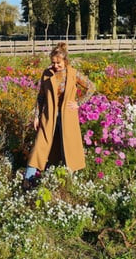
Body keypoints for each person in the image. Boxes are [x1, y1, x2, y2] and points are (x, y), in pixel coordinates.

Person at [23, 42, 95, 190]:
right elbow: (41, 97)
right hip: (49, 115)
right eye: (53, 62)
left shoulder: (73, 73)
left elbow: (91, 87)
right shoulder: (47, 74)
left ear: (65, 61)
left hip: (67, 117)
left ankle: (67, 181)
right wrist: (36, 116)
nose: (55, 65)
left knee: (66, 147)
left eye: (58, 63)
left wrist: (78, 103)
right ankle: (28, 181)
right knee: (39, 146)